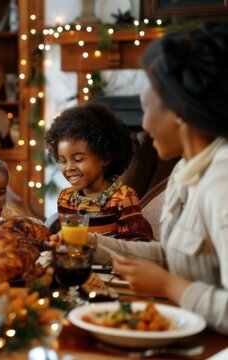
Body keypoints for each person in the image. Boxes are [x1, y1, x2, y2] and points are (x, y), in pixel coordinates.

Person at [64, 21, 228, 334]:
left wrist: (172, 288)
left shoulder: (222, 184)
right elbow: (172, 256)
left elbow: (174, 277)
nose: (144, 126)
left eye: (145, 108)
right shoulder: (186, 170)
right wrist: (93, 245)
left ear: (179, 111)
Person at [45, 103, 153, 239]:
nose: (69, 168)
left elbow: (137, 245)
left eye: (78, 159)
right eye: (63, 161)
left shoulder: (123, 198)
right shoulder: (66, 199)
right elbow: (68, 241)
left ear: (105, 157)